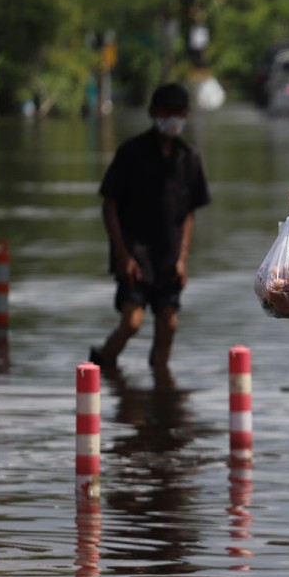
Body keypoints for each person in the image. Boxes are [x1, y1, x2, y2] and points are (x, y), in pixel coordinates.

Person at [90, 83, 210, 370]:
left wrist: (182, 259)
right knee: (132, 322)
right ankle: (101, 366)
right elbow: (109, 204)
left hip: (169, 256)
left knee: (168, 325)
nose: (173, 119)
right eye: (167, 112)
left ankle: (161, 393)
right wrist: (121, 254)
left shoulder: (188, 158)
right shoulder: (131, 153)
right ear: (154, 112)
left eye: (179, 113)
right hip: (135, 254)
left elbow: (188, 214)